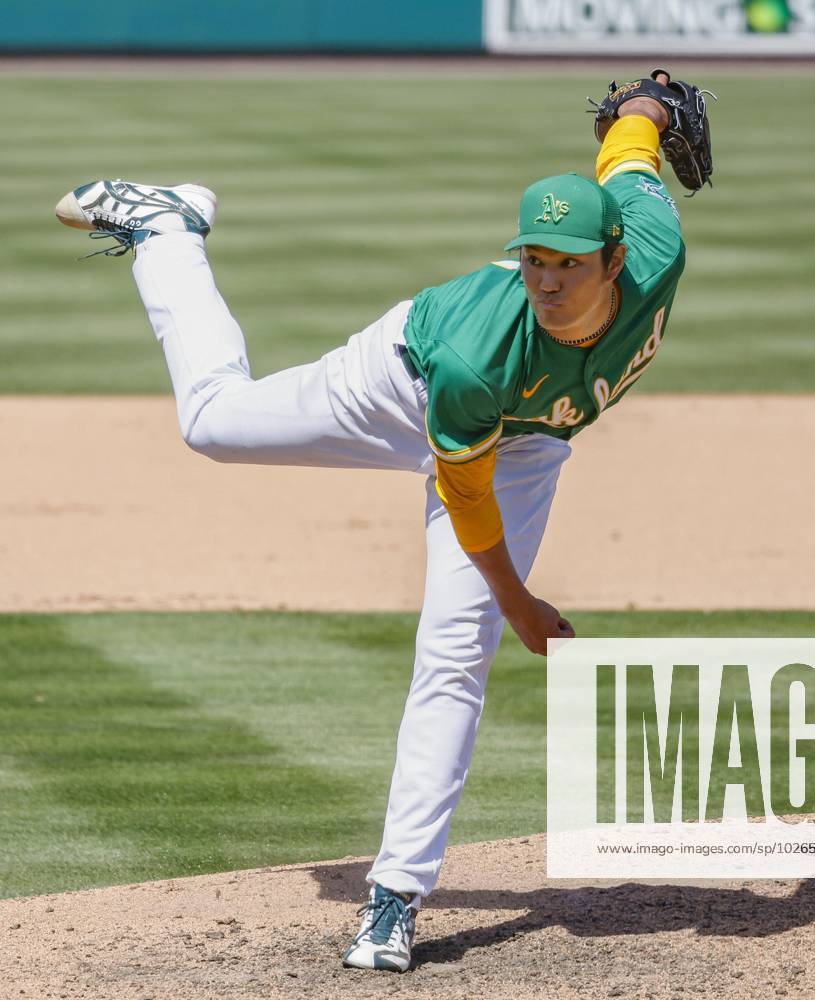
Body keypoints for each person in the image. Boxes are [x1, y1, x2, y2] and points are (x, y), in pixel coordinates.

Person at [56, 71, 689, 973]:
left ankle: (393, 900)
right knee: (211, 423)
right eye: (535, 260)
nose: (547, 282)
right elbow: (464, 496)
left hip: (527, 445)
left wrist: (649, 102)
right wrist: (518, 601)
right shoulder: (480, 353)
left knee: (450, 655)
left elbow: (629, 154)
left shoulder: (655, 241)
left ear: (616, 259)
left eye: (569, 264)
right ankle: (163, 227)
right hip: (403, 384)